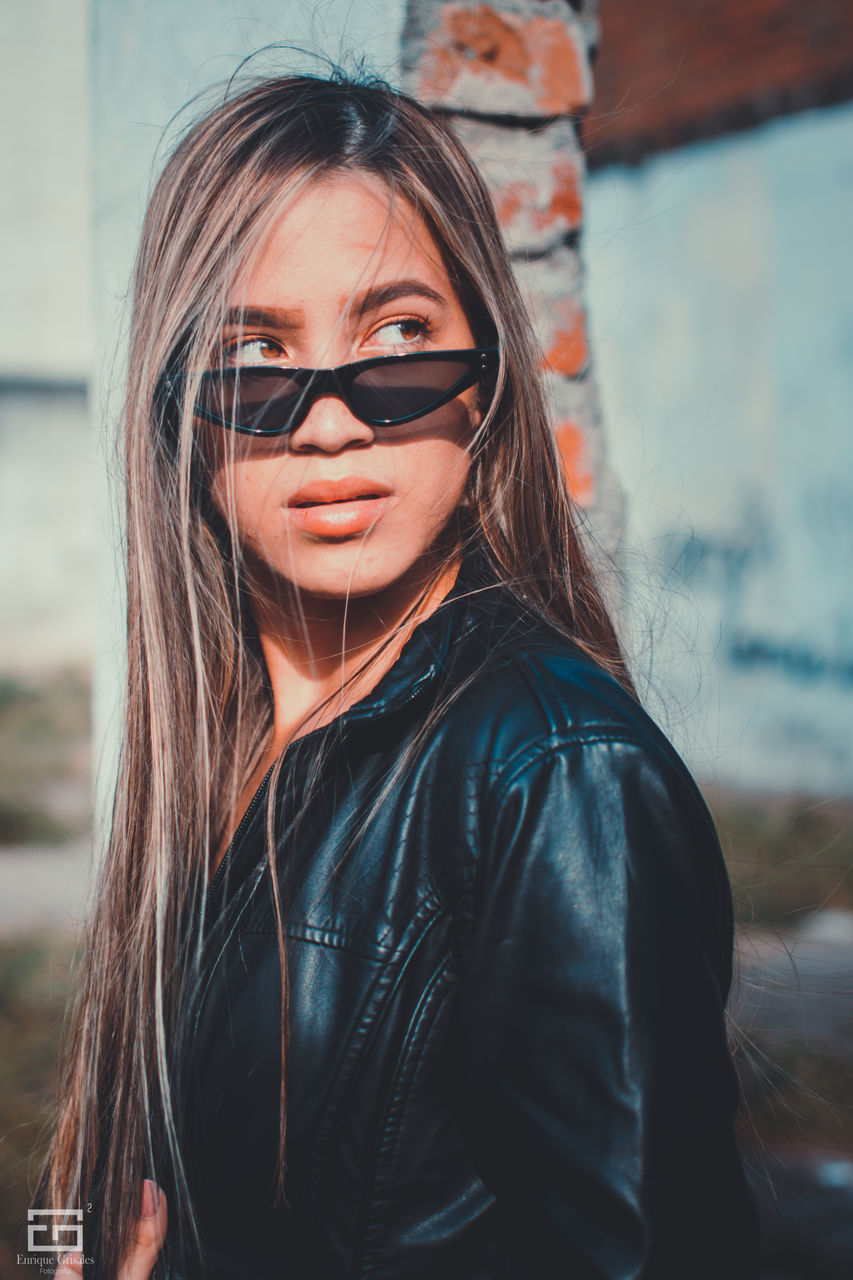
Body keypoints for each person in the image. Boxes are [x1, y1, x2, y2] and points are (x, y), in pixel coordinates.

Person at [36, 71, 760, 1279]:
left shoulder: (557, 778)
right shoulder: (225, 755)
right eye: (257, 351)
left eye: (396, 336)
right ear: (182, 416)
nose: (329, 422)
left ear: (481, 390)